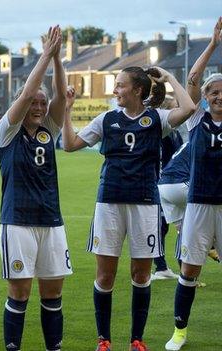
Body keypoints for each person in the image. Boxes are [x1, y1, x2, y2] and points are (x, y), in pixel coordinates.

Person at [62, 61, 196, 350]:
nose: (115, 90)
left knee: (141, 274)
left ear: (137, 90)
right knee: (105, 275)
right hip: (109, 203)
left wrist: (170, 76)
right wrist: (67, 109)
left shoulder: (157, 119)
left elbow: (189, 109)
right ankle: (104, 340)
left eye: (120, 85)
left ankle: (137, 338)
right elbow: (69, 144)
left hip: (145, 204)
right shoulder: (106, 119)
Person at [0, 26, 70, 351]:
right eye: (34, 103)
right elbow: (27, 94)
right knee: (20, 292)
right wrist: (44, 55)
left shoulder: (48, 129)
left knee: (53, 293)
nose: (39, 107)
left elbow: (60, 94)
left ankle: (53, 347)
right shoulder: (7, 131)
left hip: (51, 221)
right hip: (18, 222)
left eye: (42, 103)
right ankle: (14, 346)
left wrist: (57, 59)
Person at [165, 17, 222, 351]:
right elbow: (192, 77)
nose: (218, 97)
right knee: (189, 270)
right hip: (199, 203)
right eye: (213, 92)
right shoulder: (197, 120)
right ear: (205, 98)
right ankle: (180, 330)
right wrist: (213, 44)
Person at [152, 96, 183, 280]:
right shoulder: (163, 133)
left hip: (170, 183)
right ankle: (160, 267)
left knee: (167, 226)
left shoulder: (175, 132)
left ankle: (163, 267)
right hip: (161, 184)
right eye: (175, 107)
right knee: (160, 226)